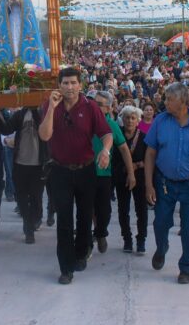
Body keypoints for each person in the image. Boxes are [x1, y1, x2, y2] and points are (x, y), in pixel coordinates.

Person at [39, 67, 112, 285]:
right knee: (64, 219)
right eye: (65, 83)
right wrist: (51, 108)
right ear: (59, 85)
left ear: (80, 85)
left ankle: (82, 251)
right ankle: (65, 266)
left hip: (86, 169)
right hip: (60, 170)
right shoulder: (49, 105)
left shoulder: (90, 107)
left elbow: (106, 133)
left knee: (84, 215)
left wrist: (105, 151)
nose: (69, 87)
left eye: (73, 83)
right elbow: (45, 135)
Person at [145, 83, 189, 284]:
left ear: (183, 101)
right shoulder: (160, 121)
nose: (165, 102)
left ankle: (186, 267)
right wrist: (149, 185)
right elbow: (150, 153)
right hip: (165, 183)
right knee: (160, 222)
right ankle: (161, 248)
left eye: (169, 99)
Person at [0, 105, 49, 244]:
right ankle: (28, 227)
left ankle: (35, 218)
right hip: (20, 163)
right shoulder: (19, 114)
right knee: (21, 197)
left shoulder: (43, 112)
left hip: (38, 164)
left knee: (36, 197)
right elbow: (6, 129)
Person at [90, 91, 135, 255]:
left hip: (104, 175)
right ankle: (89, 240)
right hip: (85, 173)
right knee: (87, 208)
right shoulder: (86, 121)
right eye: (94, 103)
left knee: (104, 211)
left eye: (99, 104)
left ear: (108, 108)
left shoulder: (112, 125)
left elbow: (124, 149)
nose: (94, 106)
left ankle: (100, 232)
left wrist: (131, 173)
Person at [117, 105, 148, 254]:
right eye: (127, 118)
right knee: (123, 210)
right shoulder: (118, 135)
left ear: (138, 121)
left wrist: (136, 165)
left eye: (133, 118)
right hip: (121, 178)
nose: (130, 121)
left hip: (140, 178)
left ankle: (141, 240)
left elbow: (150, 159)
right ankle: (127, 239)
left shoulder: (144, 137)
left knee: (141, 210)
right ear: (122, 119)